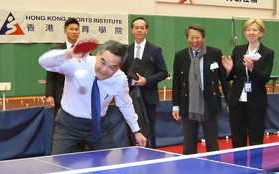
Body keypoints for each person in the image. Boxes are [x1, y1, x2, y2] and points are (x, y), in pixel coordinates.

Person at [39, 40, 147, 154]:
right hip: (68, 125)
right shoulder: (78, 63)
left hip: (98, 125)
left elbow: (125, 105)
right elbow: (44, 62)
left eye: (112, 67)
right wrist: (69, 53)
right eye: (103, 62)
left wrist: (137, 131)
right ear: (98, 55)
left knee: (109, 165)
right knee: (58, 164)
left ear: (118, 67)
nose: (104, 70)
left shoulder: (120, 79)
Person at [171, 24, 229, 154]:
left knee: (212, 140)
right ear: (187, 39)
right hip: (189, 103)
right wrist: (175, 105)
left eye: (198, 37)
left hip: (210, 102)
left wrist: (230, 100)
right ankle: (189, 168)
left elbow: (224, 79)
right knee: (189, 141)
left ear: (203, 38)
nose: (195, 41)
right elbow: (177, 83)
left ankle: (215, 167)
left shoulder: (215, 53)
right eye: (192, 37)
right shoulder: (180, 56)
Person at [222, 18, 275, 148]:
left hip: (256, 102)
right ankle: (239, 167)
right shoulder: (238, 50)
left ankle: (256, 168)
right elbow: (232, 76)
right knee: (237, 138)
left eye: (255, 30)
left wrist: (252, 68)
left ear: (261, 33)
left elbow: (265, 77)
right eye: (248, 29)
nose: (251, 32)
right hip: (237, 101)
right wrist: (229, 70)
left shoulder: (267, 53)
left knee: (256, 139)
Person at [121, 17, 168, 148]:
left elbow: (163, 72)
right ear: (132, 30)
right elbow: (123, 73)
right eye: (136, 28)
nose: (139, 30)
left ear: (147, 30)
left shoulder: (155, 50)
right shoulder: (126, 50)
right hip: (130, 96)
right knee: (131, 128)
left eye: (142, 28)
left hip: (148, 96)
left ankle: (151, 155)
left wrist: (147, 81)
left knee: (149, 128)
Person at [44, 18, 81, 111]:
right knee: (59, 124)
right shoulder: (56, 51)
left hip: (79, 97)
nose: (74, 32)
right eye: (71, 29)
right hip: (60, 97)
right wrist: (49, 95)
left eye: (76, 29)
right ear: (65, 31)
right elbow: (51, 75)